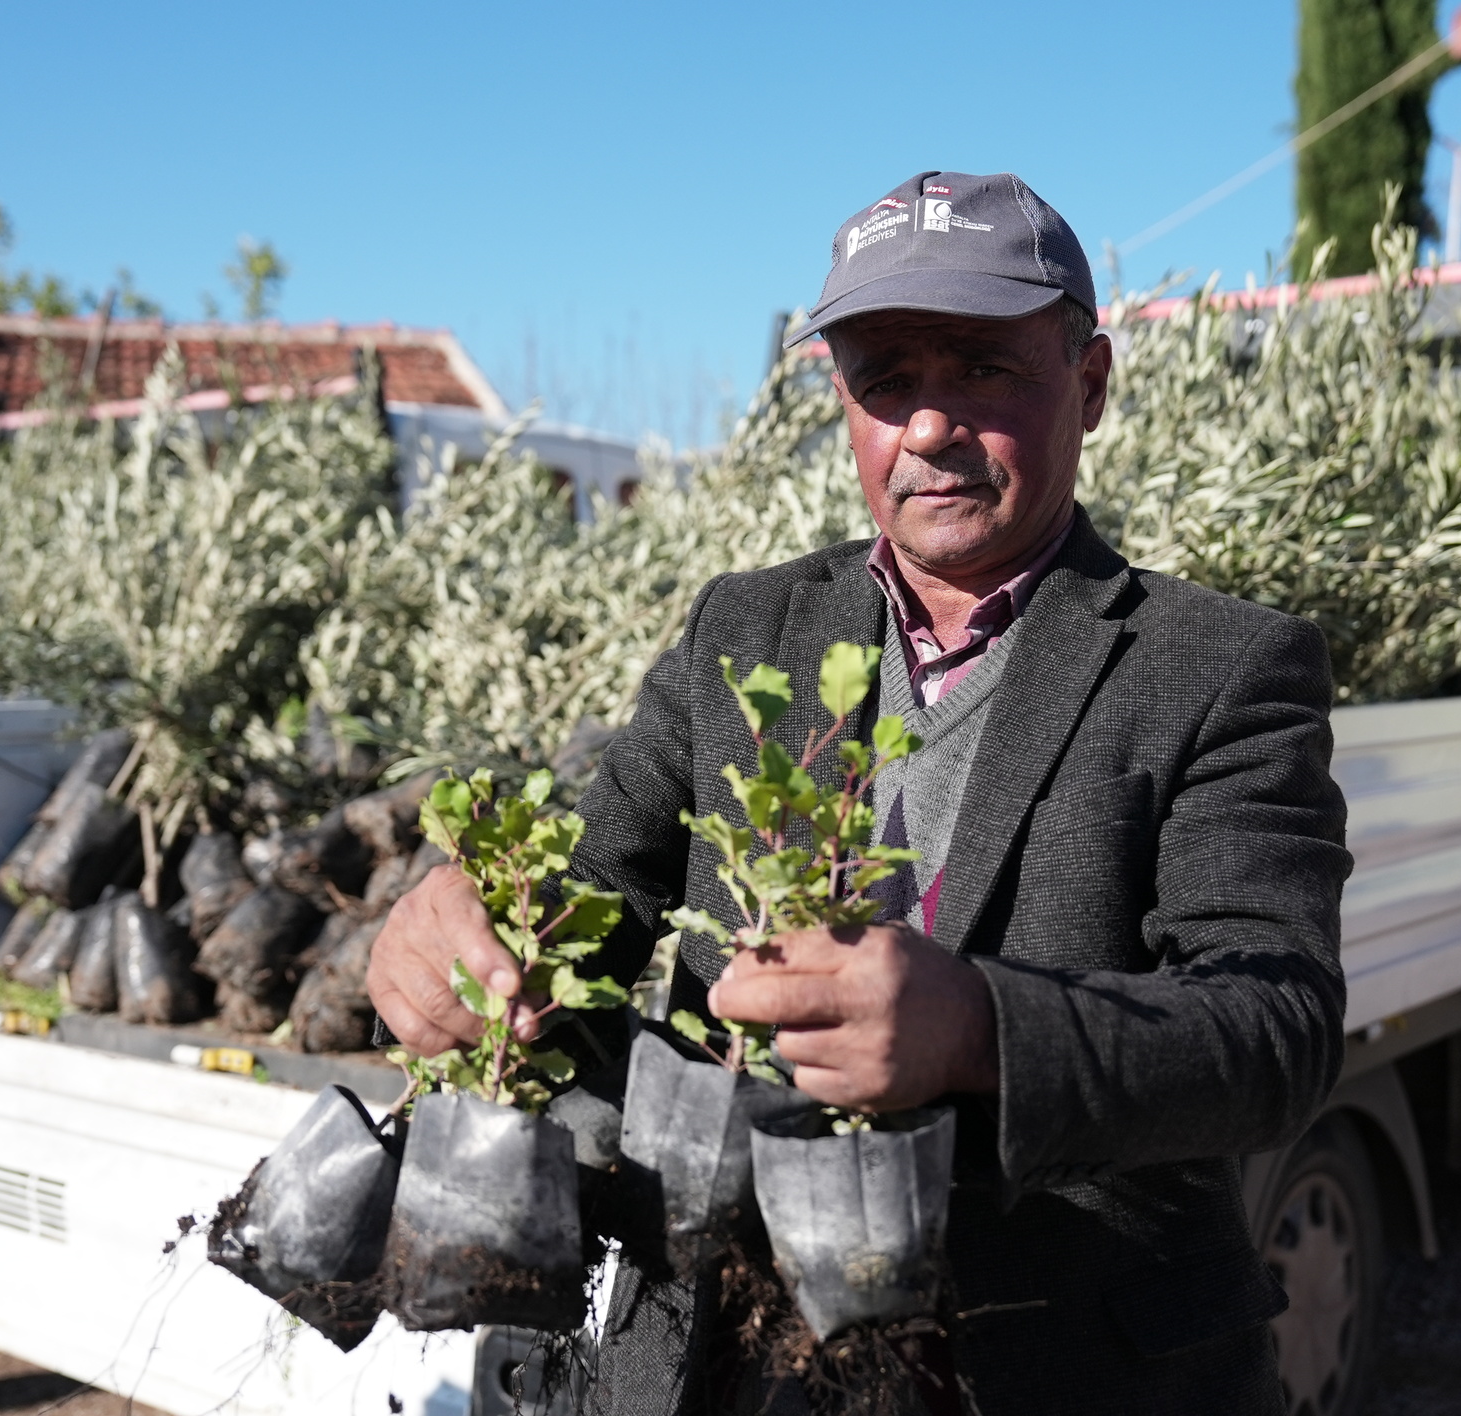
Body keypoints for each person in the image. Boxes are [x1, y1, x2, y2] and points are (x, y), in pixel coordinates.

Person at [368, 170, 1352, 1415]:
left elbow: (1273, 1031)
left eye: (984, 369)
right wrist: (461, 928)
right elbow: (591, 887)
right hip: (724, 1361)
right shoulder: (746, 625)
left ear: (1090, 383)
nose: (928, 426)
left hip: (1064, 1368)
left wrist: (981, 1028)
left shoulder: (1216, 666)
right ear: (841, 401)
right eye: (885, 376)